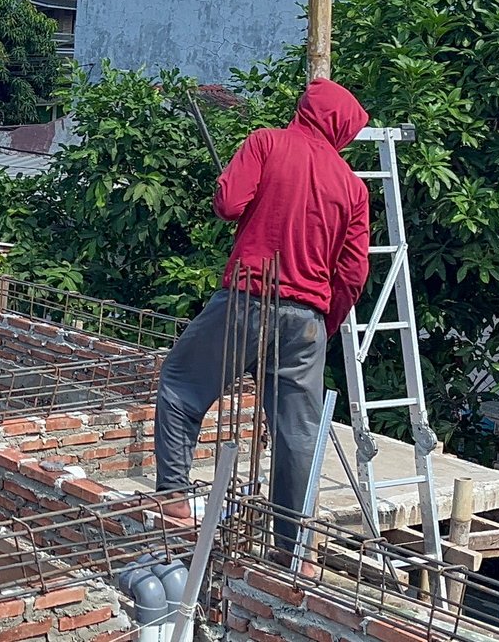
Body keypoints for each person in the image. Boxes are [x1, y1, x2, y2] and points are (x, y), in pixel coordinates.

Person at [152, 79, 372, 550]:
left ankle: (173, 499)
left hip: (248, 301)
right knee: (298, 434)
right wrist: (322, 322)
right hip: (308, 317)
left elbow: (230, 206)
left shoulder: (266, 142)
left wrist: (225, 188)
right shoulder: (352, 187)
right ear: (344, 129)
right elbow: (353, 272)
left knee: (180, 386)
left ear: (305, 109)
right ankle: (298, 551)